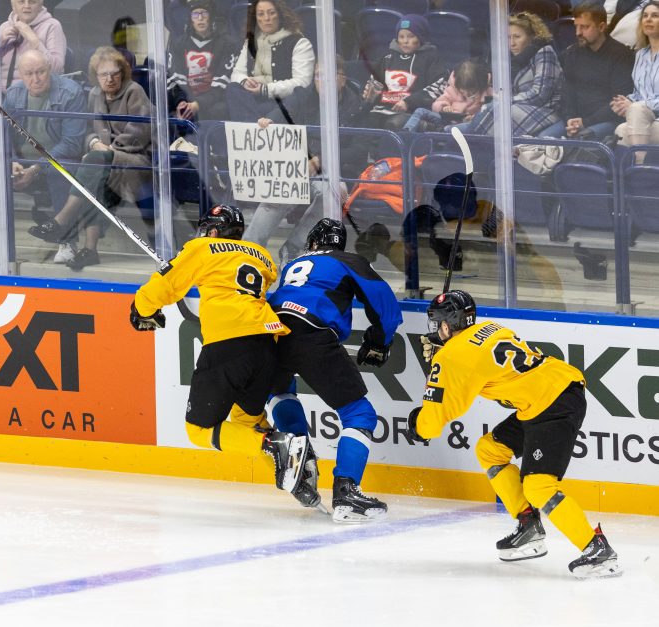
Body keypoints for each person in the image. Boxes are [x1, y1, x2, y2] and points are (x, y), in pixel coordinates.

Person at [407, 290, 621, 579]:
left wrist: (418, 420)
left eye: (437, 325)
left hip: (553, 403)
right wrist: (444, 357)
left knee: (538, 486)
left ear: (446, 325)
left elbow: (431, 424)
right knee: (489, 449)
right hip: (550, 393)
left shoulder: (451, 358)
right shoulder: (490, 328)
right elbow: (473, 357)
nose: (435, 330)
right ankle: (528, 524)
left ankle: (596, 548)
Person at [131, 204, 311, 504]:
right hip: (266, 345)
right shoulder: (261, 256)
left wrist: (141, 308)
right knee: (246, 425)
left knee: (198, 430)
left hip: (228, 344)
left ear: (213, 231)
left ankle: (276, 443)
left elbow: (166, 286)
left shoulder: (202, 248)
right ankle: (301, 482)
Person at [266, 218, 403, 521]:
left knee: (280, 391)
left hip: (270, 332)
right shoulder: (348, 259)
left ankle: (301, 463)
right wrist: (379, 341)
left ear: (313, 242)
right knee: (360, 414)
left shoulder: (293, 264)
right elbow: (384, 303)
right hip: (312, 333)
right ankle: (346, 492)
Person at [28, 47, 152, 270]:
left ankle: (62, 220)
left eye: (115, 73)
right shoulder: (95, 94)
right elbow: (88, 130)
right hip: (105, 161)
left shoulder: (135, 91)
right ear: (96, 76)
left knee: (93, 164)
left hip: (137, 161)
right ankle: (90, 250)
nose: (110, 79)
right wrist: (95, 143)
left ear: (123, 73)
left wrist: (108, 149)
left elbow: (139, 132)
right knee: (93, 181)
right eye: (104, 74)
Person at [244, 56, 365, 263]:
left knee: (337, 192)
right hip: (296, 166)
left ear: (342, 79)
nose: (322, 81)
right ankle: (248, 250)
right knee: (276, 194)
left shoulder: (357, 106)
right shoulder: (302, 94)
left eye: (328, 76)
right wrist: (269, 119)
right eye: (318, 76)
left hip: (332, 170)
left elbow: (359, 149)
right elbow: (282, 111)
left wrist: (321, 160)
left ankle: (294, 248)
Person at [0, 49, 87, 260]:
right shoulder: (14, 94)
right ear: (20, 75)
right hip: (22, 163)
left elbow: (72, 144)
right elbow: (1, 133)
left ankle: (67, 243)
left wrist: (35, 168)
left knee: (61, 170)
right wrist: (12, 162)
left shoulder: (71, 93)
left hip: (57, 161)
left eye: (41, 72)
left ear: (49, 69)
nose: (36, 79)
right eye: (29, 74)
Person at [539, 3, 634, 140]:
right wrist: (570, 119)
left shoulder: (621, 55)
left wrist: (586, 123)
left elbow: (618, 103)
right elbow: (567, 93)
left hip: (606, 122)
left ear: (601, 27)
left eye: (584, 27)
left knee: (583, 138)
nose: (578, 32)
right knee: (543, 139)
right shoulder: (572, 53)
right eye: (576, 26)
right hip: (576, 122)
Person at [469, 12, 563, 137]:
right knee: (489, 110)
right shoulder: (511, 59)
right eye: (508, 37)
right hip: (518, 108)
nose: (512, 43)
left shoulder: (545, 52)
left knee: (496, 111)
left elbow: (540, 94)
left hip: (546, 111)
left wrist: (506, 101)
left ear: (531, 37)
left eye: (517, 37)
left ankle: (466, 139)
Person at [226, 0, 315, 122]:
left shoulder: (299, 43)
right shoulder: (251, 42)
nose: (267, 18)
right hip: (252, 100)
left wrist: (265, 90)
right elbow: (236, 74)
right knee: (233, 88)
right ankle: (257, 128)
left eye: (271, 13)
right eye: (261, 14)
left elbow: (302, 83)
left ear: (281, 14)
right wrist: (245, 81)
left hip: (283, 103)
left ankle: (254, 130)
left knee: (295, 95)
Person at [362, 14, 447, 131]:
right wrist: (370, 94)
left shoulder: (431, 58)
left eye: (411, 36)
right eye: (401, 37)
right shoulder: (387, 57)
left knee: (394, 125)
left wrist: (408, 102)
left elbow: (438, 87)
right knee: (364, 120)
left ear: (421, 37)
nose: (405, 41)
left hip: (412, 113)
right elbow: (374, 83)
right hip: (382, 109)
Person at [166, 0, 237, 122]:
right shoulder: (179, 44)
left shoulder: (227, 44)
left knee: (219, 110)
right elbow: (176, 78)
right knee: (171, 109)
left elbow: (222, 84)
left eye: (204, 13)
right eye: (195, 14)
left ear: (211, 17)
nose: (200, 18)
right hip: (187, 98)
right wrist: (182, 102)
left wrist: (198, 104)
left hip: (212, 101)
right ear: (190, 19)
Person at [612, 1, 659, 159]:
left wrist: (635, 106)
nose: (648, 19)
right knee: (621, 130)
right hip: (645, 119)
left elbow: (640, 104)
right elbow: (638, 93)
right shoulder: (640, 54)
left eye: (655, 16)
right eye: (645, 16)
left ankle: (639, 168)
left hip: (652, 116)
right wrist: (625, 102)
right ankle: (632, 178)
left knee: (636, 112)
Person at [403, 59, 491, 133]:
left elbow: (489, 112)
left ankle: (442, 131)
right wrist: (444, 106)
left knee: (458, 128)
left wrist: (474, 118)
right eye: (463, 91)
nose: (467, 94)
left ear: (480, 85)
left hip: (465, 124)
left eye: (471, 91)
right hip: (447, 119)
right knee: (420, 111)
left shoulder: (486, 93)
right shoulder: (452, 90)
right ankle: (407, 131)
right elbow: (437, 103)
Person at [0, 0, 66, 90]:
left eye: (32, 2)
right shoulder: (4, 27)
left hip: (32, 93)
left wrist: (34, 40)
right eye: (21, 2)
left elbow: (57, 70)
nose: (27, 6)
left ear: (40, 5)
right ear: (14, 7)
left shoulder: (52, 26)